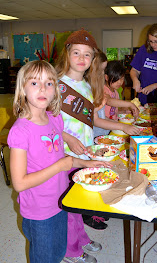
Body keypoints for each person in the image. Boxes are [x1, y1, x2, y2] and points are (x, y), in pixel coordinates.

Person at [8, 60, 111, 263]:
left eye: (49, 83)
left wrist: (85, 164)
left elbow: (59, 158)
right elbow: (19, 183)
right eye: (35, 83)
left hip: (60, 200)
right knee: (45, 257)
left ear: (56, 89)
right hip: (39, 210)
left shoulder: (54, 119)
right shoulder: (20, 131)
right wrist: (59, 166)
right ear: (22, 89)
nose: (43, 88)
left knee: (57, 251)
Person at [85, 53, 140, 138]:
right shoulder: (102, 89)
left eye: (122, 79)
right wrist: (130, 104)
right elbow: (109, 101)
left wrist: (124, 112)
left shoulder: (115, 92)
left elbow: (112, 112)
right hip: (100, 133)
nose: (120, 82)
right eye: (117, 79)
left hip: (109, 129)